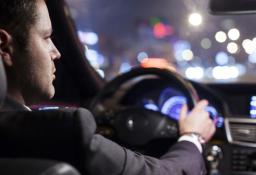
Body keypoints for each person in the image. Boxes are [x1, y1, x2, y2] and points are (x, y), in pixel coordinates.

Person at [0, 0, 216, 175]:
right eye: (46, 37)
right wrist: (193, 136)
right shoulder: (63, 131)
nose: (56, 52)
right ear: (5, 46)